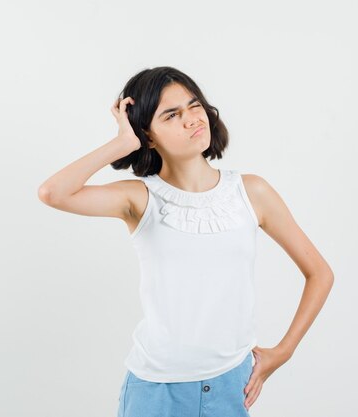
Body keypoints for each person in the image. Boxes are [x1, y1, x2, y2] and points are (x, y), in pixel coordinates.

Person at [37, 66, 334, 416]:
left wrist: (283, 352)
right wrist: (122, 143)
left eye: (194, 106)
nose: (192, 119)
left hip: (231, 384)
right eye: (172, 115)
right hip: (156, 391)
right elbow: (52, 193)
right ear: (148, 135)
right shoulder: (139, 198)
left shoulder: (251, 191)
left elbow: (320, 273)